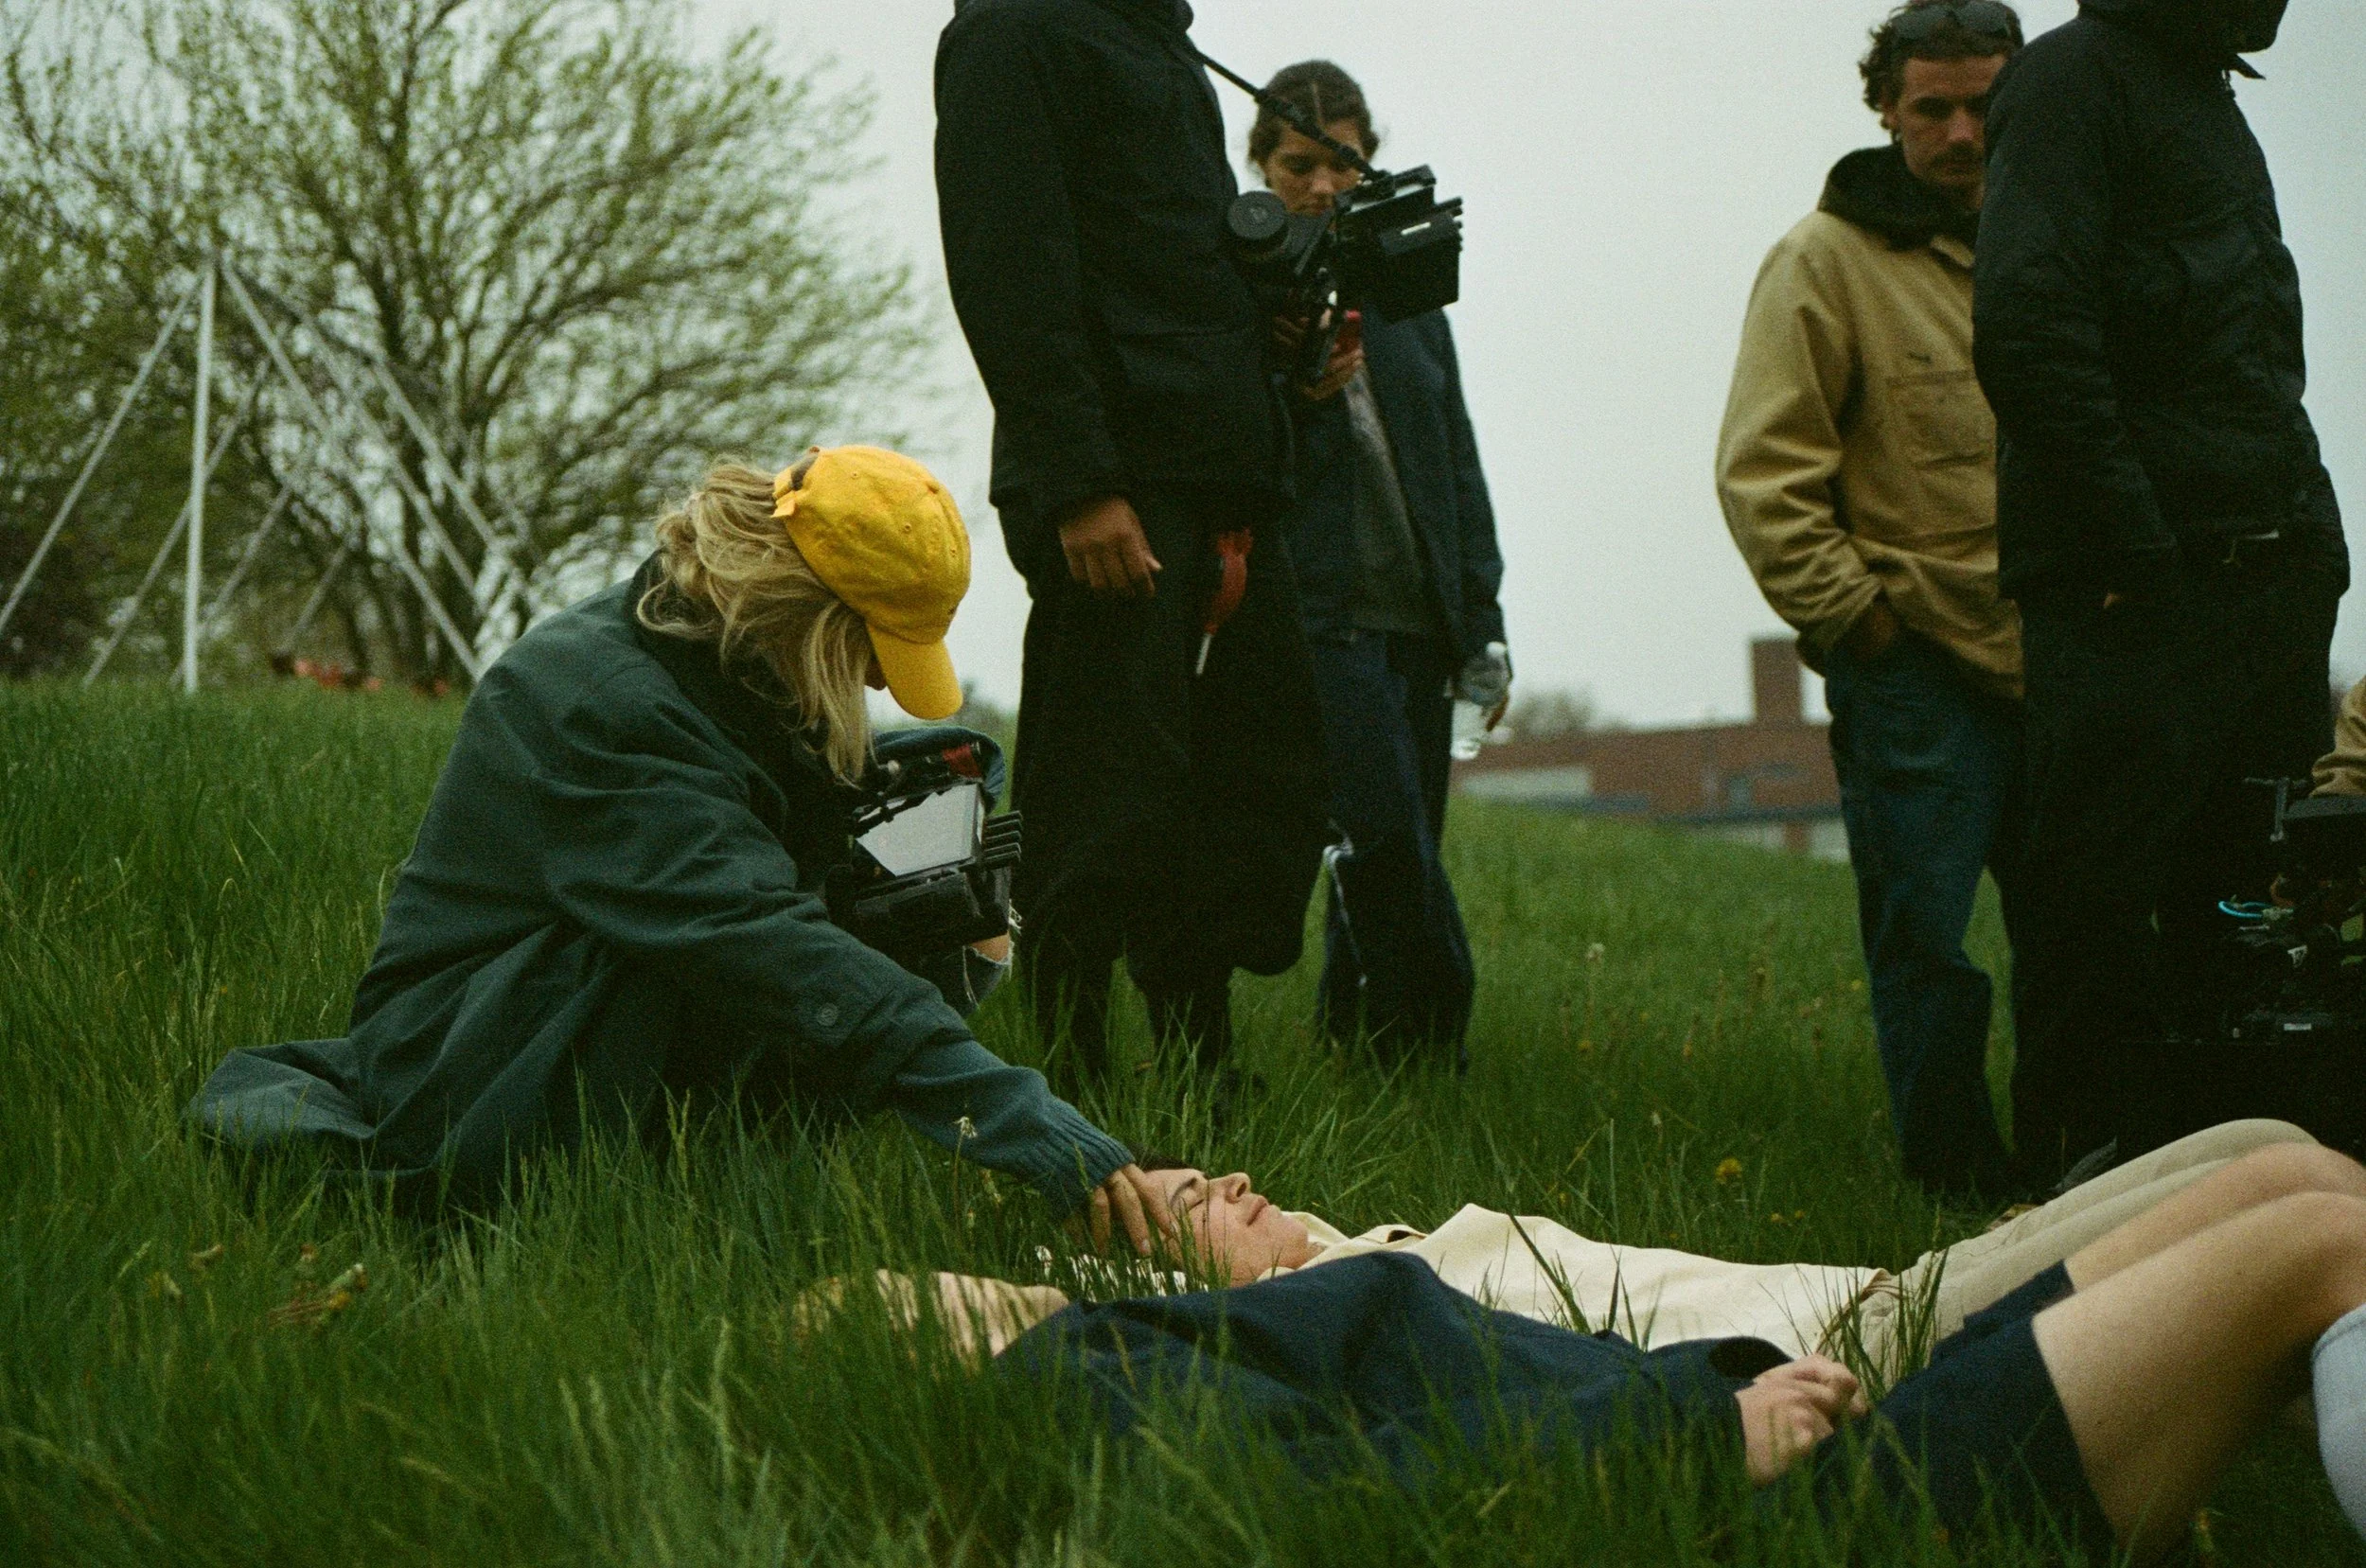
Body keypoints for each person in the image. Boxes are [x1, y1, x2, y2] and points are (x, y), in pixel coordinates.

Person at [187, 449, 1175, 1255]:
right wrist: (1031, 1128)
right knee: (781, 959)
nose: (878, 684)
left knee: (932, 842)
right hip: (468, 1068)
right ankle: (634, 1202)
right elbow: (761, 940)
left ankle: (719, 1170)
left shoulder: (723, 657)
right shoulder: (603, 706)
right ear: (805, 614)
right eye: (871, 654)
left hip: (574, 1010)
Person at [819, 1136, 2366, 1559]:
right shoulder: (1084, 1385)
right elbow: (1364, 1504)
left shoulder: (1150, 1349)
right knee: (2314, 1239)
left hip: (1792, 1428)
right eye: (908, 1295)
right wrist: (1699, 1432)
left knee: (2292, 1189)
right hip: (1809, 1511)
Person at [1973, 0, 2347, 1183]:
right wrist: (2135, 556)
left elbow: (2251, 357)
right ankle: (2074, 1216)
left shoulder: (2203, 95)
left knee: (2253, 918)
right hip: (2138, 597)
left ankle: (2243, 1202)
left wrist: (2313, 543)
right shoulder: (2071, 84)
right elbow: (2029, 329)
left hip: (2260, 578)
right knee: (2099, 923)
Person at [934, 0, 1332, 1090]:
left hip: (1221, 474)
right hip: (1117, 484)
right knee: (1101, 795)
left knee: (1243, 787)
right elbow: (1007, 265)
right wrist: (1080, 486)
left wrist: (1271, 324)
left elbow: (1165, 259)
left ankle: (1202, 1067)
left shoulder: (1156, 36)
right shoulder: (1012, 31)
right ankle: (1071, 1085)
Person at [822, 1119, 2318, 1383]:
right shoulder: (1333, 1313)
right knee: (2290, 1192)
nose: (1246, 1183)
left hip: (1903, 1278)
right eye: (1205, 1194)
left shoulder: (1360, 1246)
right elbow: (1020, 1306)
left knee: (2274, 1145)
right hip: (1875, 1348)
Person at [1716, 0, 2028, 1198]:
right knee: (1927, 944)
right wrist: (1865, 626)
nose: (1959, 134)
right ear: (1885, 111)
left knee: (2084, 940)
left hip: (2066, 659)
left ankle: (2086, 1172)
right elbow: (1762, 474)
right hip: (1918, 673)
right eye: (1931, 108)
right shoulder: (1823, 261)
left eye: (1984, 107)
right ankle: (1956, 1192)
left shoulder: (2061, 240)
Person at [1248, 62, 1509, 1066]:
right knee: (1384, 839)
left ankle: (1355, 1047)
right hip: (1323, 618)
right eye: (1298, 165)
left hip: (1420, 621)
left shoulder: (1407, 298)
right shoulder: (1246, 301)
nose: (1322, 185)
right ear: (1260, 170)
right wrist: (1291, 381)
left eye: (1344, 163)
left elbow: (1456, 461)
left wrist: (1482, 620)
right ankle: (1433, 1044)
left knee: (1398, 844)